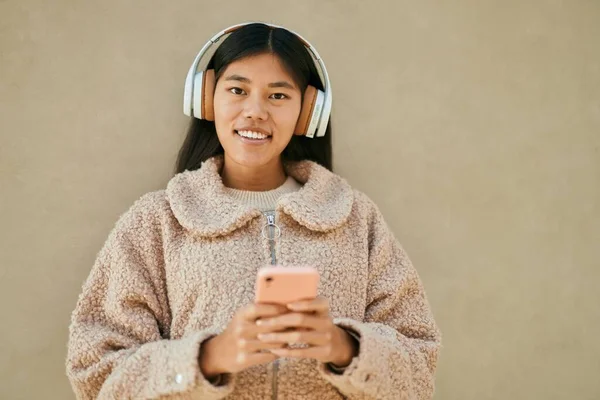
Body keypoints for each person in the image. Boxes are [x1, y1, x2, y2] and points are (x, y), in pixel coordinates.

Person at [66, 22, 441, 400]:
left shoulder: (357, 219)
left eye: (278, 96)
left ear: (308, 111)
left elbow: (420, 363)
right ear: (206, 98)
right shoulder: (155, 222)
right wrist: (207, 358)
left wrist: (345, 348)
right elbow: (95, 372)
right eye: (237, 90)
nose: (255, 111)